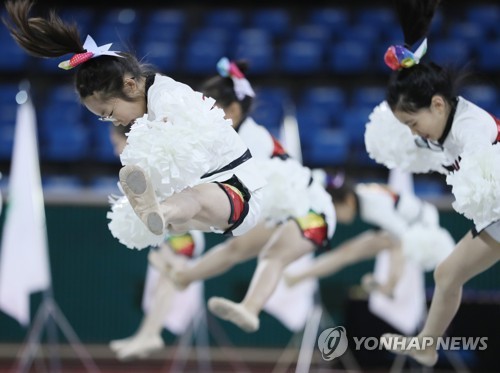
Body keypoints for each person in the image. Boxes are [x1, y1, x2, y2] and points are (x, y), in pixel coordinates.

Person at [3, 0, 266, 251]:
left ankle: (158, 212)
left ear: (130, 84)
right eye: (103, 119)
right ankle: (158, 213)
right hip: (211, 196)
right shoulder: (151, 101)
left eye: (109, 112)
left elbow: (175, 152)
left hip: (239, 189)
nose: (114, 121)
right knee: (178, 218)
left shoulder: (166, 96)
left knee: (189, 201)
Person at [366, 0, 500, 367]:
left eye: (413, 122)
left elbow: (486, 188)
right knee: (447, 273)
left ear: (438, 105)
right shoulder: (435, 127)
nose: (412, 131)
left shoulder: (474, 130)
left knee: (447, 272)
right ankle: (426, 344)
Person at [162, 58, 336, 333]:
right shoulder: (228, 137)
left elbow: (220, 194)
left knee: (273, 254)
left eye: (207, 109)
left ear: (231, 110)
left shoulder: (250, 139)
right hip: (278, 210)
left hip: (311, 210)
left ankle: (250, 309)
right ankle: (186, 276)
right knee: (235, 249)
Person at [106, 124, 205, 360]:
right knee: (164, 281)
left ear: (128, 141)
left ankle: (149, 333)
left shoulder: (150, 161)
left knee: (167, 278)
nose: (114, 151)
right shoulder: (145, 162)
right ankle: (146, 333)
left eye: (116, 144)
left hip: (183, 234)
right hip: (176, 232)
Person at [283, 170, 454, 298]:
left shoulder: (372, 204)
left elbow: (403, 241)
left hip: (426, 231)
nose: (334, 216)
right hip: (410, 226)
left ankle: (389, 287)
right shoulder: (365, 196)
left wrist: (391, 283)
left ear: (348, 201)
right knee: (347, 253)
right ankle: (297, 277)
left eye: (335, 209)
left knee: (349, 252)